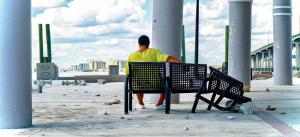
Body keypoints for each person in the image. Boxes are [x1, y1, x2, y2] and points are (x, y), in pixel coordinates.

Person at [125, 35, 181, 109]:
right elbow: (168, 58)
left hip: (138, 86)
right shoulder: (154, 52)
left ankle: (141, 104)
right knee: (167, 82)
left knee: (136, 80)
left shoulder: (131, 56)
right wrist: (179, 61)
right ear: (148, 44)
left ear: (139, 44)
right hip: (156, 84)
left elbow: (128, 73)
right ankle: (159, 104)